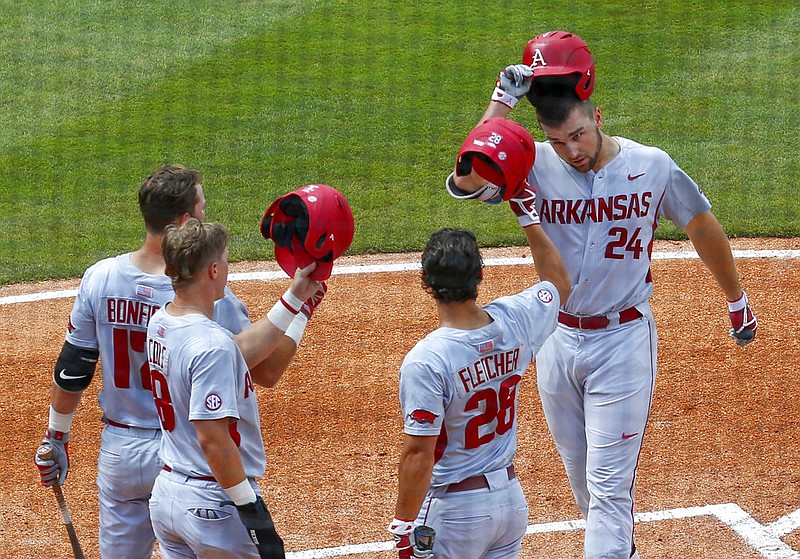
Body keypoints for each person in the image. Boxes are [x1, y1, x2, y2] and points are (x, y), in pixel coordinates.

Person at [447, 31, 758, 559]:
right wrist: (502, 101)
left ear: (598, 117)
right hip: (557, 342)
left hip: (624, 342)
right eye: (559, 140)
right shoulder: (537, 164)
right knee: (586, 490)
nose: (572, 151)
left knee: (611, 490)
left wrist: (735, 298)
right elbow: (469, 175)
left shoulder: (652, 164)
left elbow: (701, 224)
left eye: (578, 136)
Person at [33, 165, 322, 559]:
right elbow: (263, 371)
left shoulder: (100, 278)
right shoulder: (202, 297)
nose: (206, 214)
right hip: (186, 455)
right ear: (185, 221)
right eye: (202, 207)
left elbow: (74, 368)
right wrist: (299, 307)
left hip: (120, 448)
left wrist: (56, 436)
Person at [389, 119, 572, 559]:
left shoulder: (427, 361)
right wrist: (527, 214)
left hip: (453, 513)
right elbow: (559, 284)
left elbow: (419, 453)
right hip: (509, 504)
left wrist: (403, 524)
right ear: (480, 277)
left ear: (426, 283)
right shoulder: (517, 320)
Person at [146, 218, 324, 559]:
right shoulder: (212, 345)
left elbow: (240, 353)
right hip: (214, 504)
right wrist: (251, 509)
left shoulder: (162, 321)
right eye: (226, 260)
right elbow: (213, 439)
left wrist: (297, 297)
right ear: (213, 270)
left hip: (169, 494)